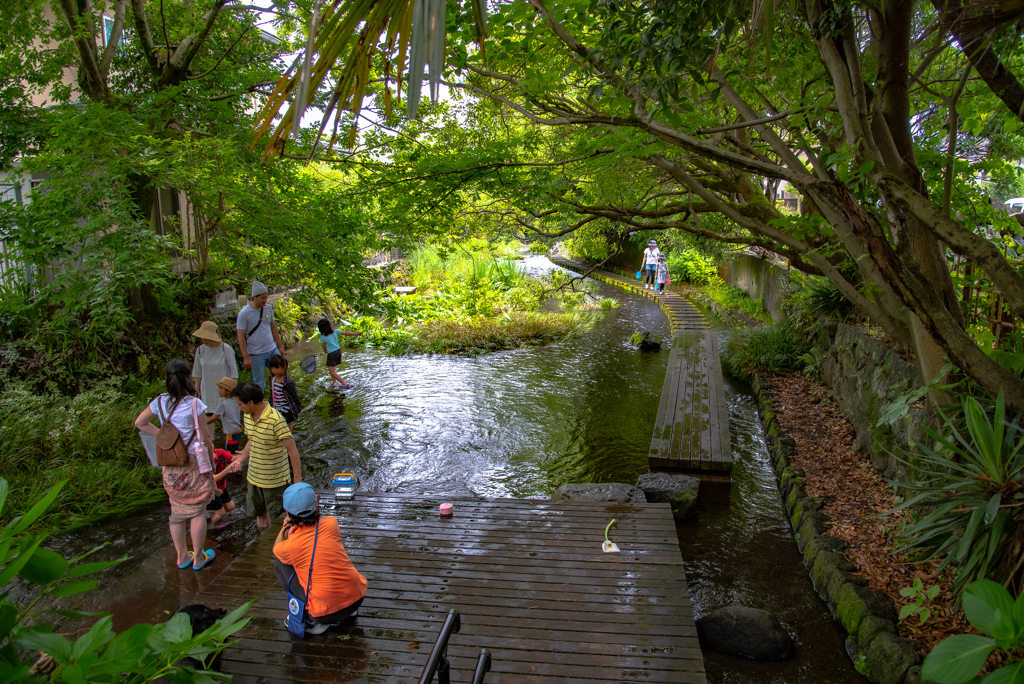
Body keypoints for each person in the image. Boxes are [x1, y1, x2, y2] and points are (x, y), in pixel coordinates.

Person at [134, 359, 218, 571]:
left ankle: (182, 557)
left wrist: (165, 437)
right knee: (197, 511)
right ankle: (198, 558)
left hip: (170, 462)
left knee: (177, 511)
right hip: (193, 463)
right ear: (187, 378)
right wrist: (211, 462)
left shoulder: (160, 401)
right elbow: (205, 438)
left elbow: (140, 423)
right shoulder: (194, 404)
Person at [273, 483, 367, 635]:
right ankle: (348, 611)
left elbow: (276, 548)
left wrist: (285, 526)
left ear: (288, 513)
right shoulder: (331, 523)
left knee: (280, 564)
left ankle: (311, 621)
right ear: (316, 505)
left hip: (326, 614)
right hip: (357, 599)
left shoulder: (290, 547)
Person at [230, 381, 302, 532]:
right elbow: (252, 439)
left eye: (240, 404)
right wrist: (241, 459)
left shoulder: (276, 420)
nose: (239, 408)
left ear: (250, 402)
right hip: (254, 477)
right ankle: (263, 539)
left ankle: (279, 543)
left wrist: (297, 480)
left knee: (279, 520)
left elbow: (292, 449)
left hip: (275, 481)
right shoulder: (247, 416)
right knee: (259, 514)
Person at [236, 281, 284, 392]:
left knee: (281, 375)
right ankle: (259, 402)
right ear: (254, 297)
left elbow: (273, 327)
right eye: (262, 298)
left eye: (266, 297)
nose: (265, 300)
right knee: (260, 382)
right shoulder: (244, 313)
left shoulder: (268, 308)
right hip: (256, 354)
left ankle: (281, 399)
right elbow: (240, 336)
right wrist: (246, 357)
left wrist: (280, 347)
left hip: (272, 349)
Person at [191, 321, 237, 411]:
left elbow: (234, 372)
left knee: (225, 414)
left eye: (207, 337)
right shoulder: (200, 350)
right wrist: (197, 391)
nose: (204, 340)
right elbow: (197, 372)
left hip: (224, 391)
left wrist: (233, 391)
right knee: (208, 414)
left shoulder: (226, 349)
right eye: (202, 337)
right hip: (207, 390)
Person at [317, 318, 364, 390]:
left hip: (332, 354)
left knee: (332, 372)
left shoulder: (323, 338)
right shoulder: (335, 331)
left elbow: (324, 349)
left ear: (321, 329)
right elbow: (346, 333)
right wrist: (356, 334)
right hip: (338, 352)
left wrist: (326, 350)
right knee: (332, 370)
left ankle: (344, 384)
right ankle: (334, 383)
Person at [207, 377, 243, 454]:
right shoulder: (236, 401)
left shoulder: (223, 404)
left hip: (231, 432)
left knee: (230, 453)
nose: (218, 391)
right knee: (233, 449)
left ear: (228, 392)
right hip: (237, 429)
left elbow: (213, 418)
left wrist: (201, 423)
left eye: (221, 389)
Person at [207, 448, 240, 528]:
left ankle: (214, 511)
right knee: (221, 513)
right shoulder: (204, 460)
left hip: (222, 487)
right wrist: (227, 470)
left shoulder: (220, 452)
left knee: (230, 507)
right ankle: (211, 525)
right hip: (211, 491)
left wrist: (247, 453)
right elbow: (213, 479)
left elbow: (234, 458)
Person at [267, 354, 302, 430]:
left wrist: (298, 408)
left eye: (277, 368)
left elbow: (294, 395)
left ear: (284, 367)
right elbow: (272, 393)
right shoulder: (272, 378)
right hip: (277, 409)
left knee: (288, 430)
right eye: (272, 368)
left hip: (287, 410)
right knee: (279, 429)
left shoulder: (287, 382)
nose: (275, 370)